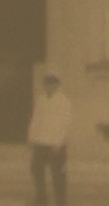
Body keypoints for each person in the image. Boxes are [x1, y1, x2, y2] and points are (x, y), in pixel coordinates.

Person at [27, 72, 73, 206]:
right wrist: (32, 137)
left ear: (57, 85)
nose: (49, 86)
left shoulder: (63, 101)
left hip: (55, 143)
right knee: (36, 170)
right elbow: (35, 120)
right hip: (41, 142)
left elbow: (66, 123)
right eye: (46, 84)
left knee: (58, 174)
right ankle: (41, 199)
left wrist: (60, 142)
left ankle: (61, 201)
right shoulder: (41, 100)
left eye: (52, 84)